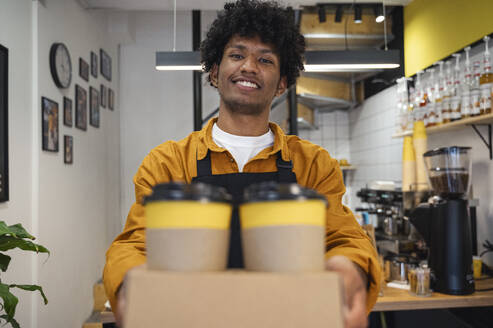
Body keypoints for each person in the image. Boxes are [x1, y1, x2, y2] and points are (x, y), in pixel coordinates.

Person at [103, 1, 381, 327]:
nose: (249, 66)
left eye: (265, 59)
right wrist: (132, 284)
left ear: (282, 83)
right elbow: (136, 243)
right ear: (215, 71)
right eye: (237, 55)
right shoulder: (168, 162)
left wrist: (348, 268)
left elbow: (343, 239)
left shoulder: (314, 165)